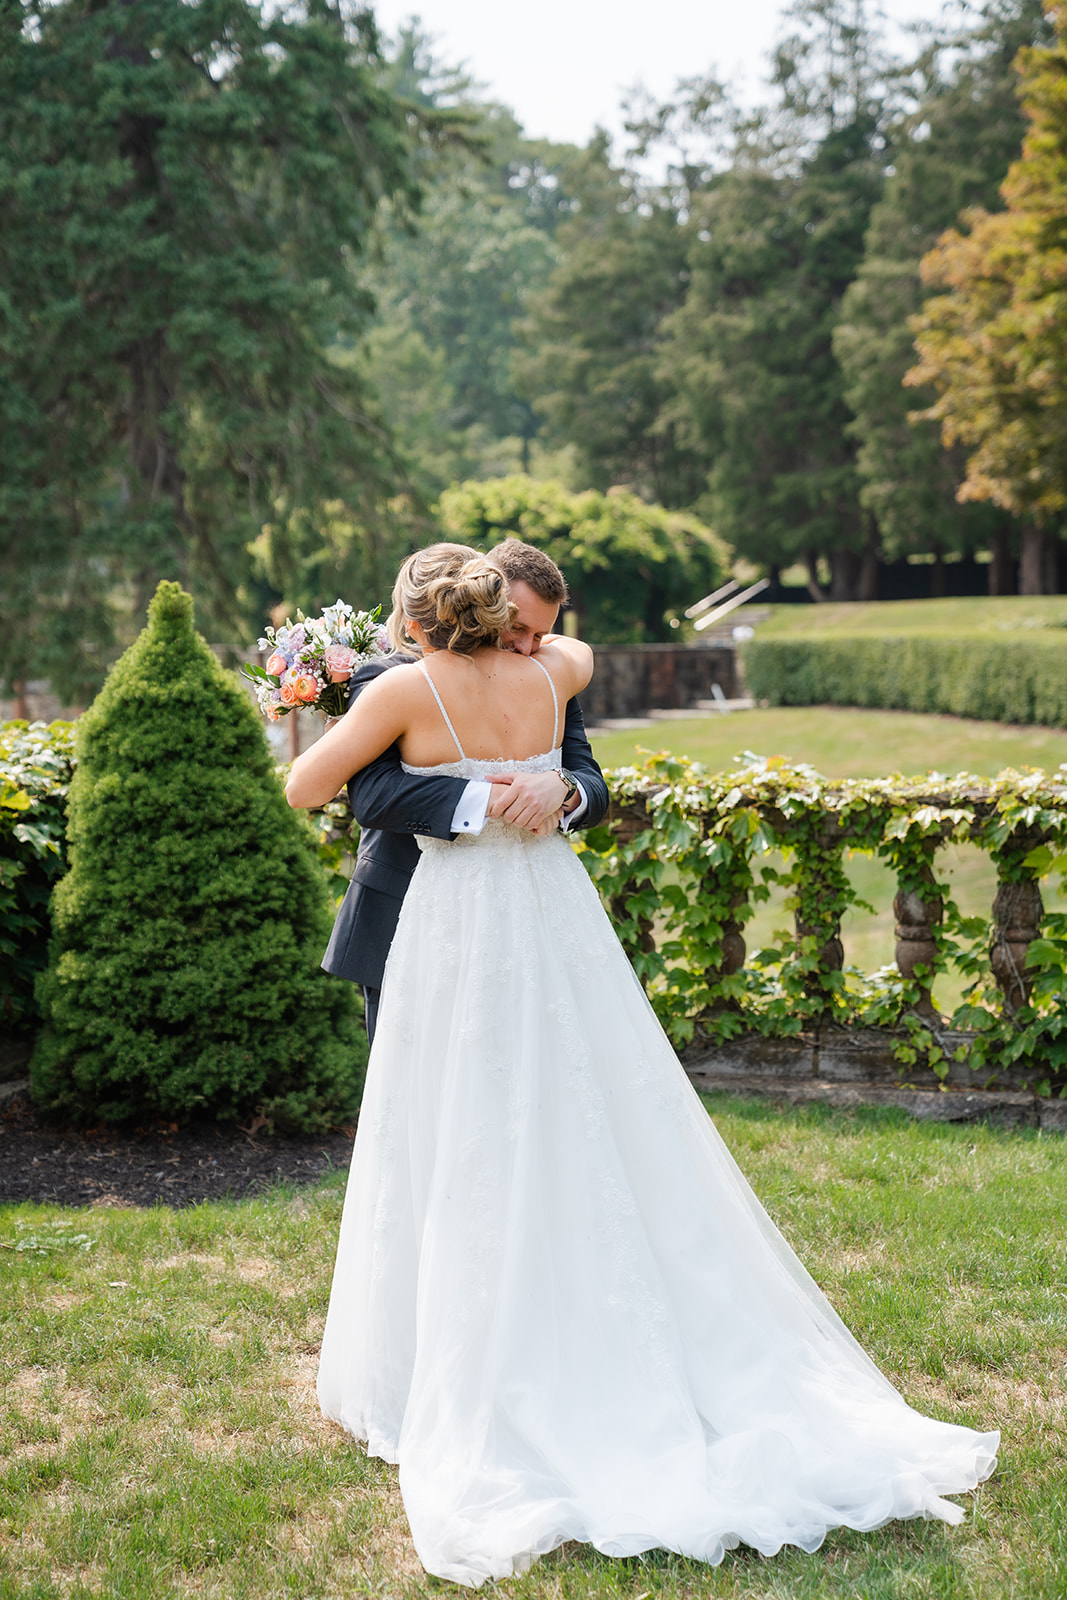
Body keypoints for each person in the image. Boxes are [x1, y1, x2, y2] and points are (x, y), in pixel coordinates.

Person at [287, 547, 998, 1589]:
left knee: (450, 1118)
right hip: (548, 911)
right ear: (500, 612)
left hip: (457, 922)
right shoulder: (553, 674)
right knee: (584, 1100)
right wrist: (505, 772)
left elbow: (310, 784)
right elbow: (563, 651)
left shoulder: (404, 686)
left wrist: (354, 695)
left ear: (412, 619)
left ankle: (453, 1353)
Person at [319, 540, 608, 1042]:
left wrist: (561, 788)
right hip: (405, 906)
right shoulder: (393, 678)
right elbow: (374, 796)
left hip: (528, 920)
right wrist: (487, 798)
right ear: (482, 597)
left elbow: (593, 784)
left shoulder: (546, 676)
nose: (526, 647)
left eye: (542, 634)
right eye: (517, 628)